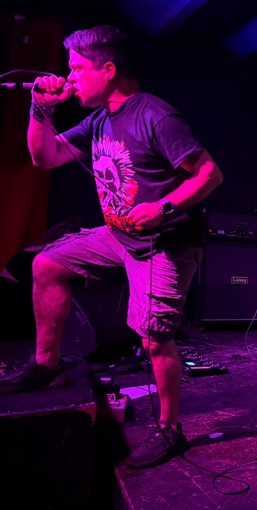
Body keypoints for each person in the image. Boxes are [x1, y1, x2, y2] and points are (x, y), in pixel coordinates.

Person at [0, 25, 224, 469]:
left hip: (164, 242)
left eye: (77, 68)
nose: (70, 77)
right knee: (47, 265)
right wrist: (40, 109)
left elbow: (210, 174)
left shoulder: (155, 116)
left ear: (107, 70)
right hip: (118, 235)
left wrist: (163, 205)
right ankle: (48, 365)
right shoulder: (100, 119)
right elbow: (44, 157)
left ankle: (171, 429)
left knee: (153, 338)